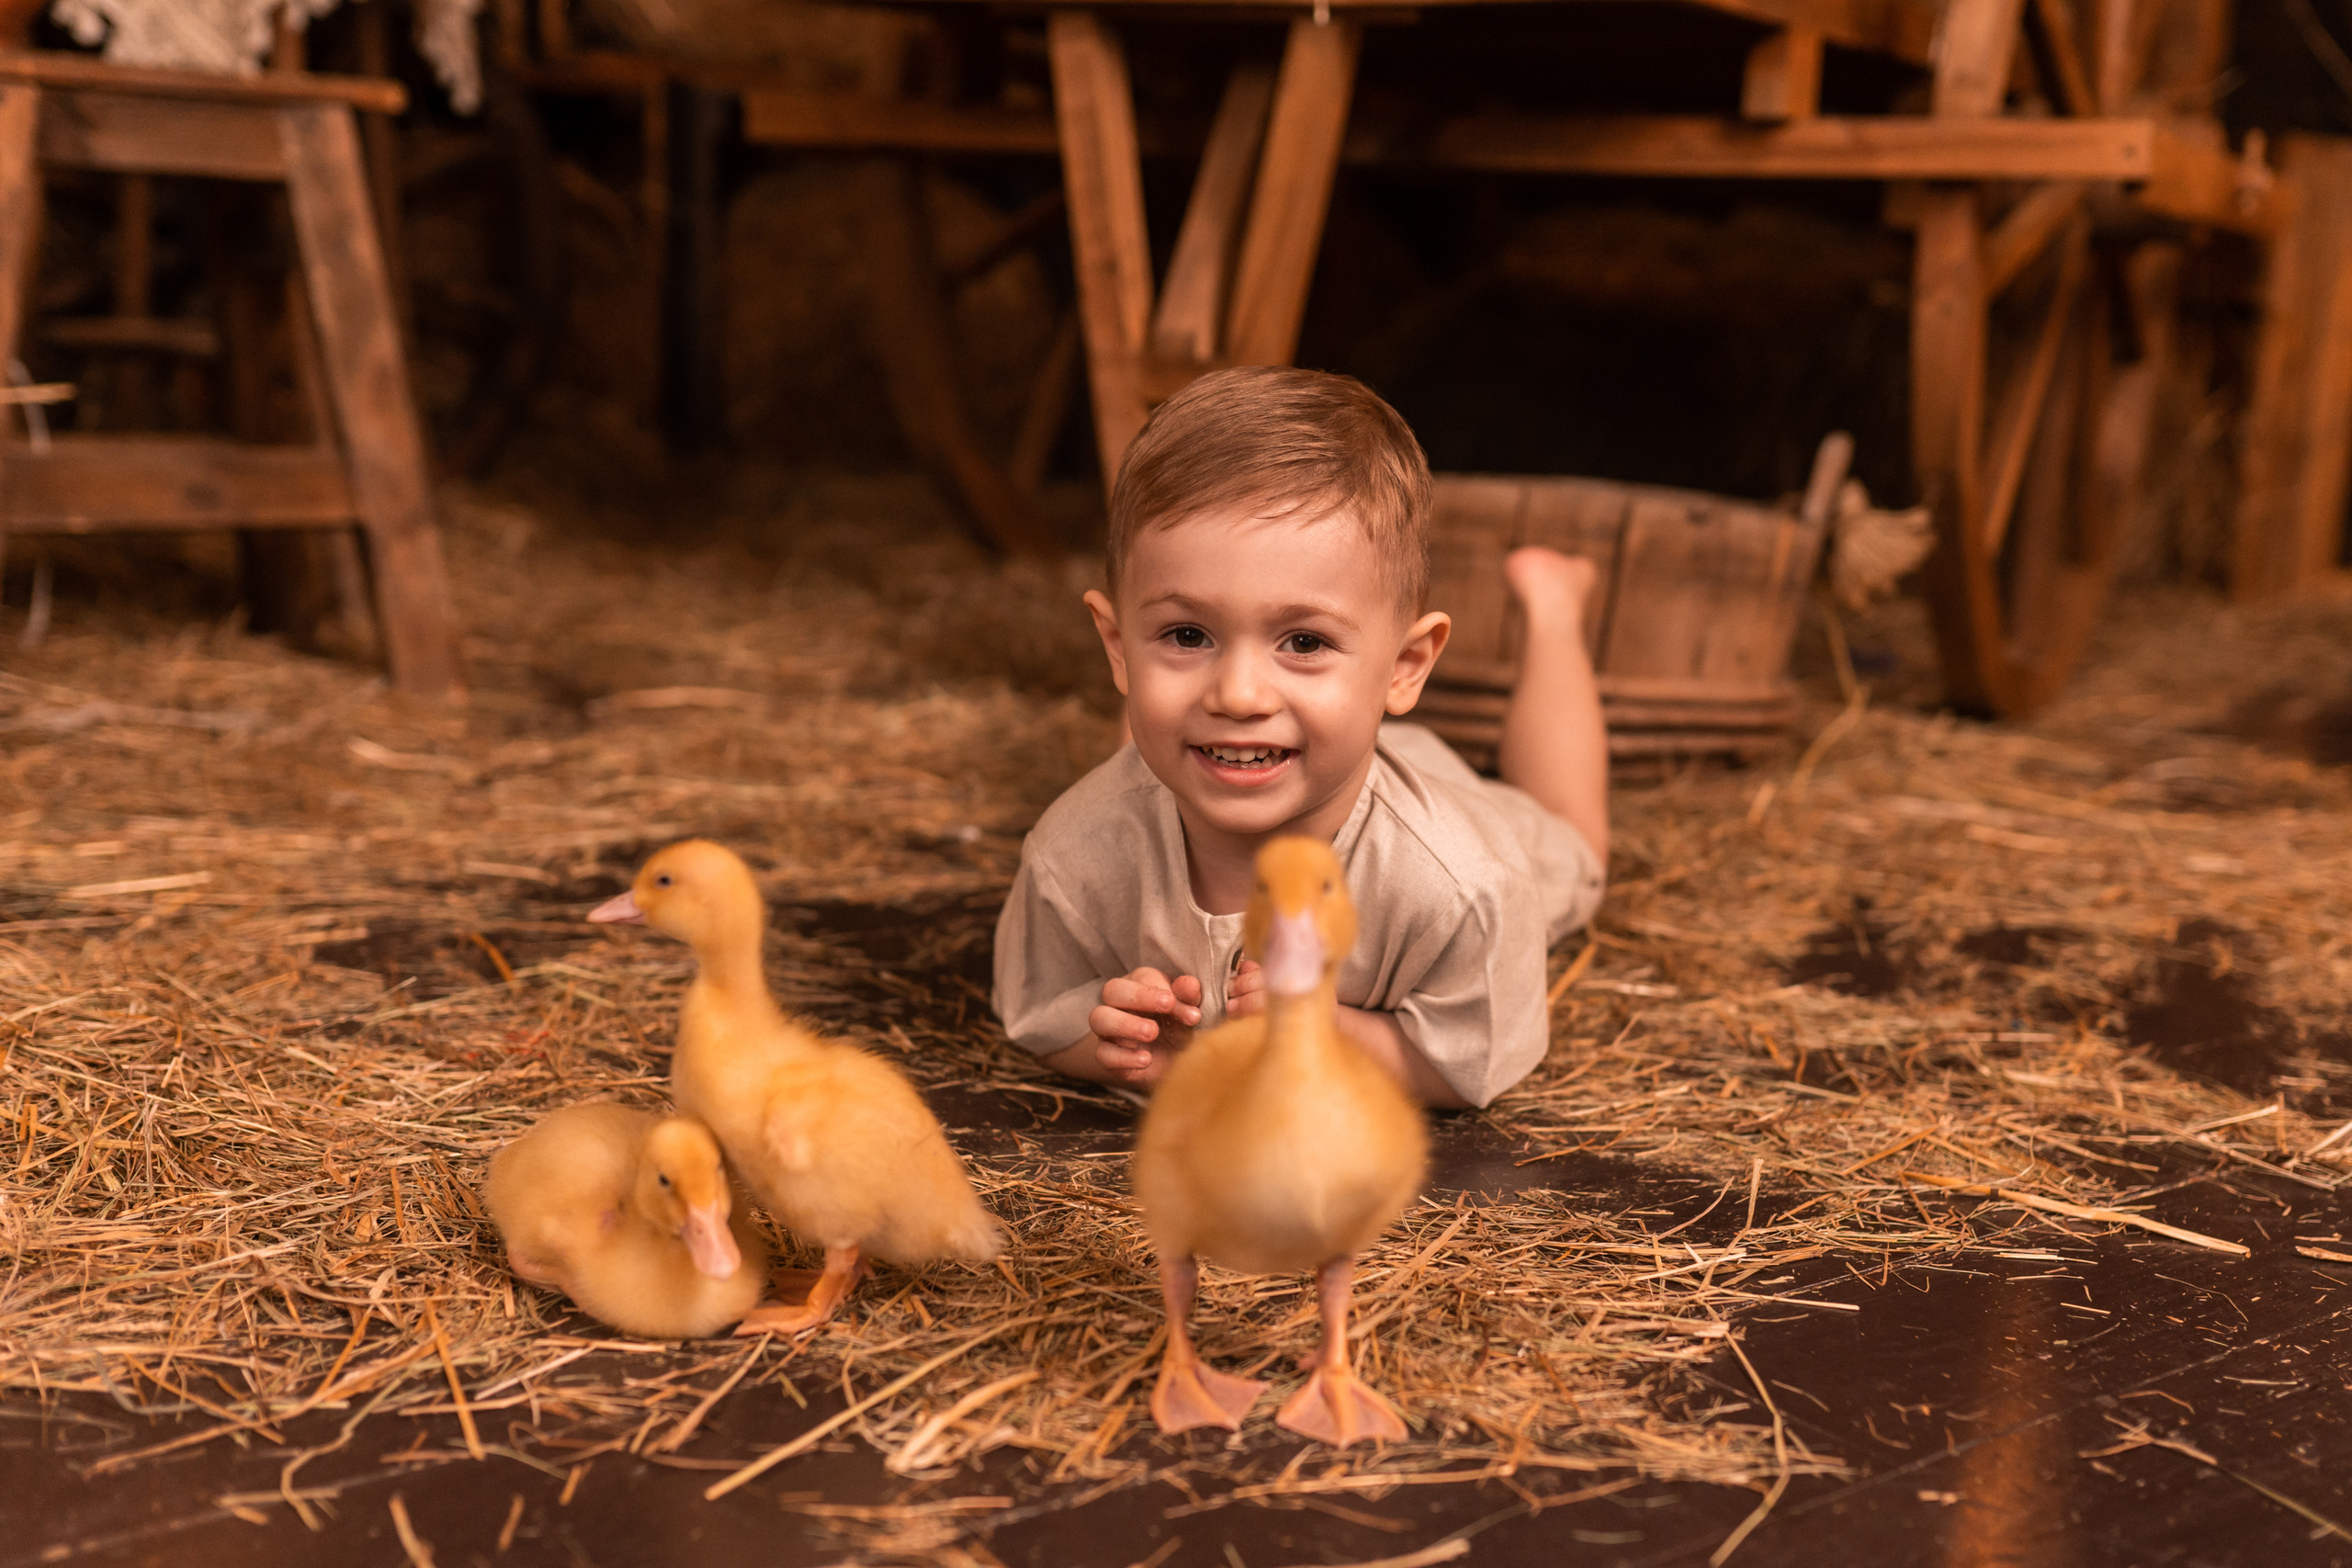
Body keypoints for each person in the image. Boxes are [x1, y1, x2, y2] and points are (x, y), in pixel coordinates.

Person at [991, 367, 1608, 1110]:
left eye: (1304, 640)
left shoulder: (1463, 885)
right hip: (1310, 748)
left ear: (1405, 667)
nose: (1240, 692)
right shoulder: (1073, 855)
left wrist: (1330, 1031)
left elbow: (1464, 1065)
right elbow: (1038, 1010)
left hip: (1412, 797)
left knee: (1575, 836)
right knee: (1166, 741)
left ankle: (1553, 606)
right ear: (1117, 648)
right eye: (1188, 633)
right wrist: (1118, 1044)